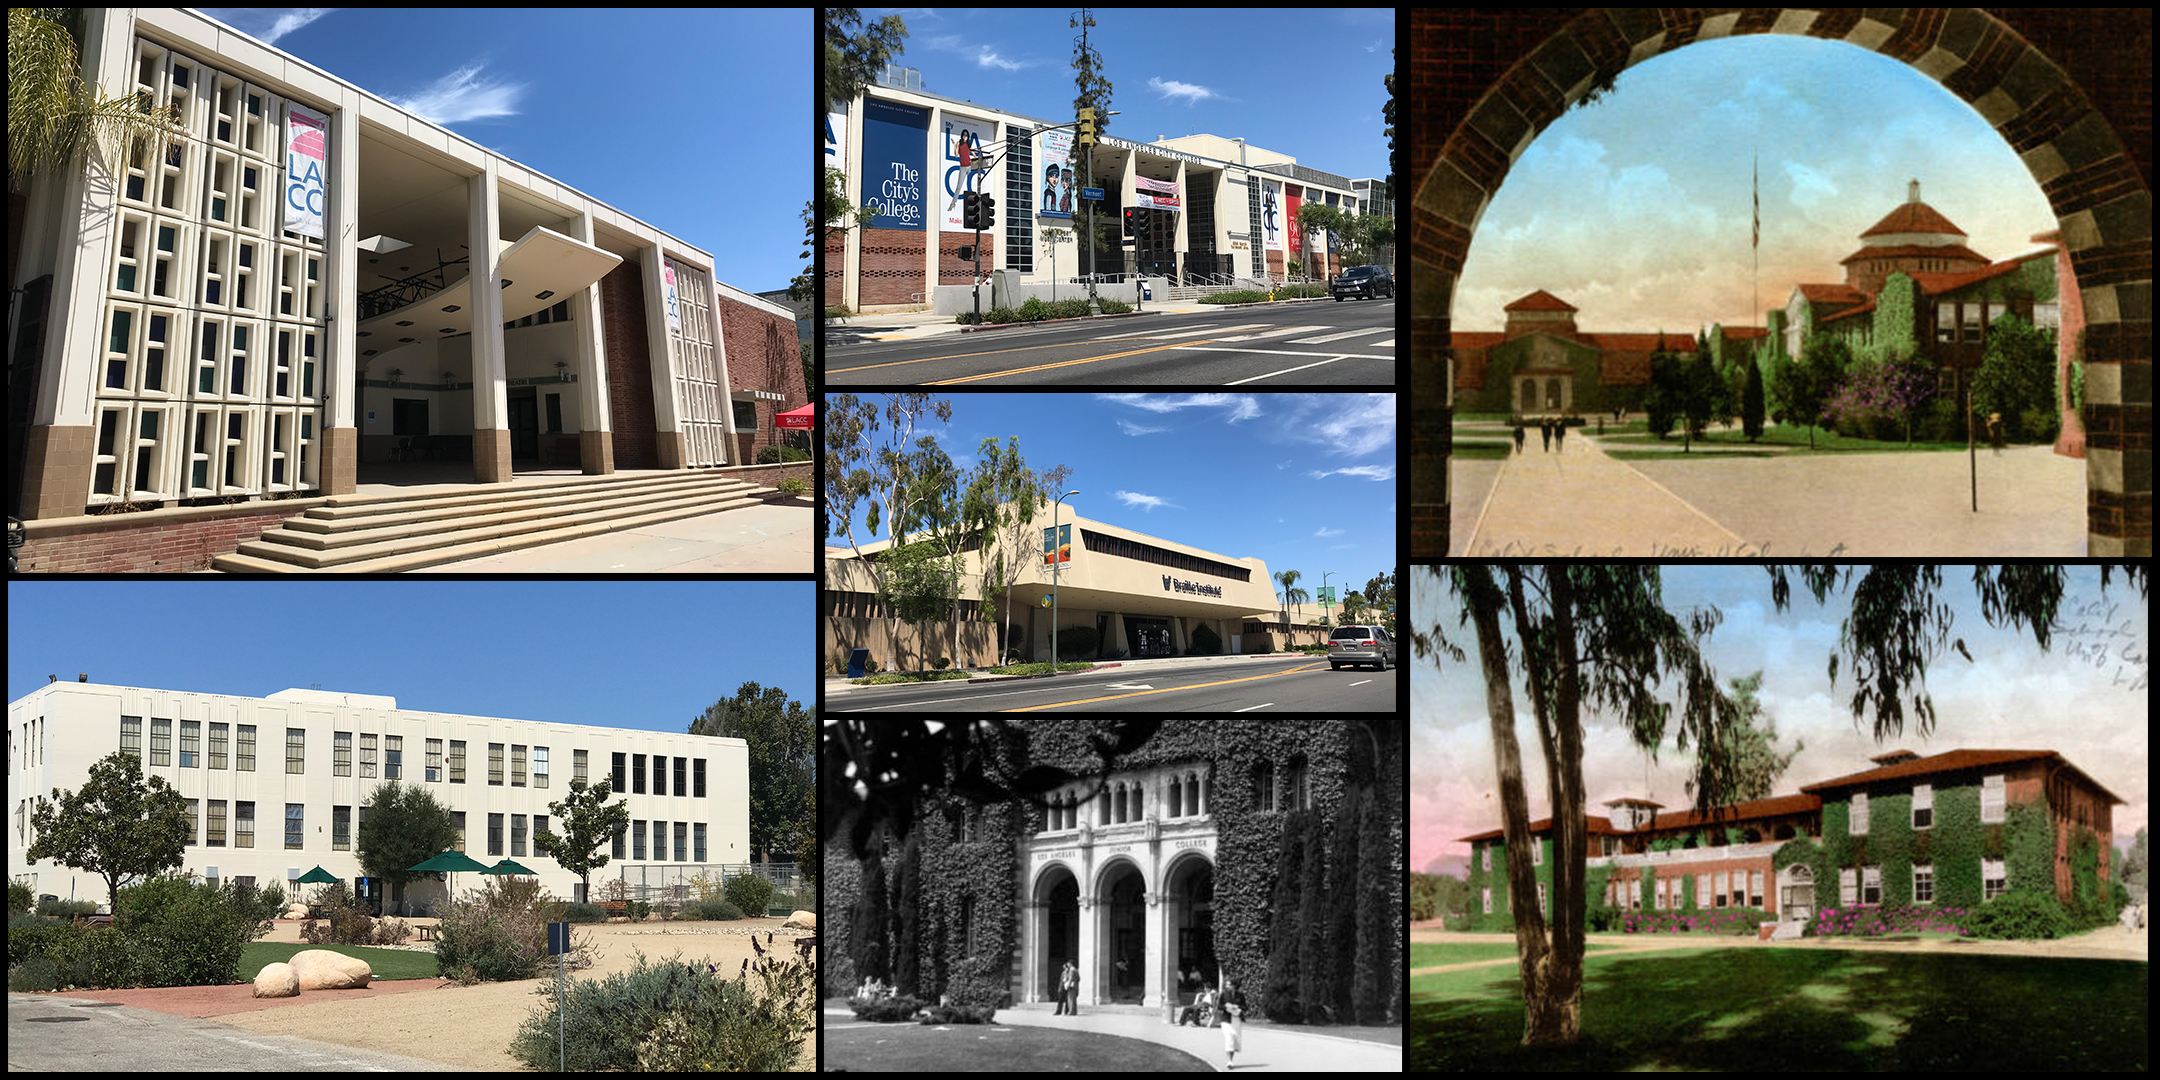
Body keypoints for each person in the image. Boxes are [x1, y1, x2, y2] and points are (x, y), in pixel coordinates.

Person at [1218, 973, 1246, 1069]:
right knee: (1229, 1039)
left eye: (1229, 984)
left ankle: (1231, 1059)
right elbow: (1219, 1006)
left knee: (1234, 1040)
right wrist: (1227, 1007)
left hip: (1236, 1020)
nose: (1227, 986)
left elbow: (1245, 1007)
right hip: (1226, 1020)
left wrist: (1237, 1007)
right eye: (1226, 984)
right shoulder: (1224, 994)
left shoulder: (1240, 995)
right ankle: (1229, 1062)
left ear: (1234, 986)